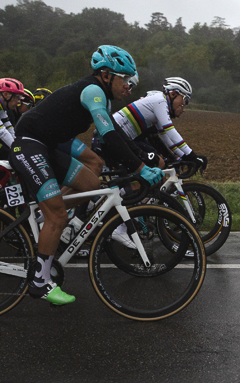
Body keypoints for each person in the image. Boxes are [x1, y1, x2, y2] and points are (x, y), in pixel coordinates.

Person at [9, 45, 164, 306]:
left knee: (90, 182)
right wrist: (139, 168)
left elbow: (117, 133)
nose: (129, 85)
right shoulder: (93, 91)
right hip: (29, 142)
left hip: (49, 144)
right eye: (124, 79)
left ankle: (48, 215)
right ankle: (39, 281)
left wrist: (140, 161)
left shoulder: (102, 95)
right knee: (57, 214)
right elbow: (108, 137)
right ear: (106, 75)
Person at [97, 76, 207, 171]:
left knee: (154, 165)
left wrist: (182, 156)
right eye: (184, 98)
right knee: (155, 164)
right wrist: (191, 155)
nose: (184, 103)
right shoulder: (160, 101)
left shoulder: (160, 104)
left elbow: (165, 137)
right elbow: (171, 131)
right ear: (173, 94)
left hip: (120, 139)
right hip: (111, 138)